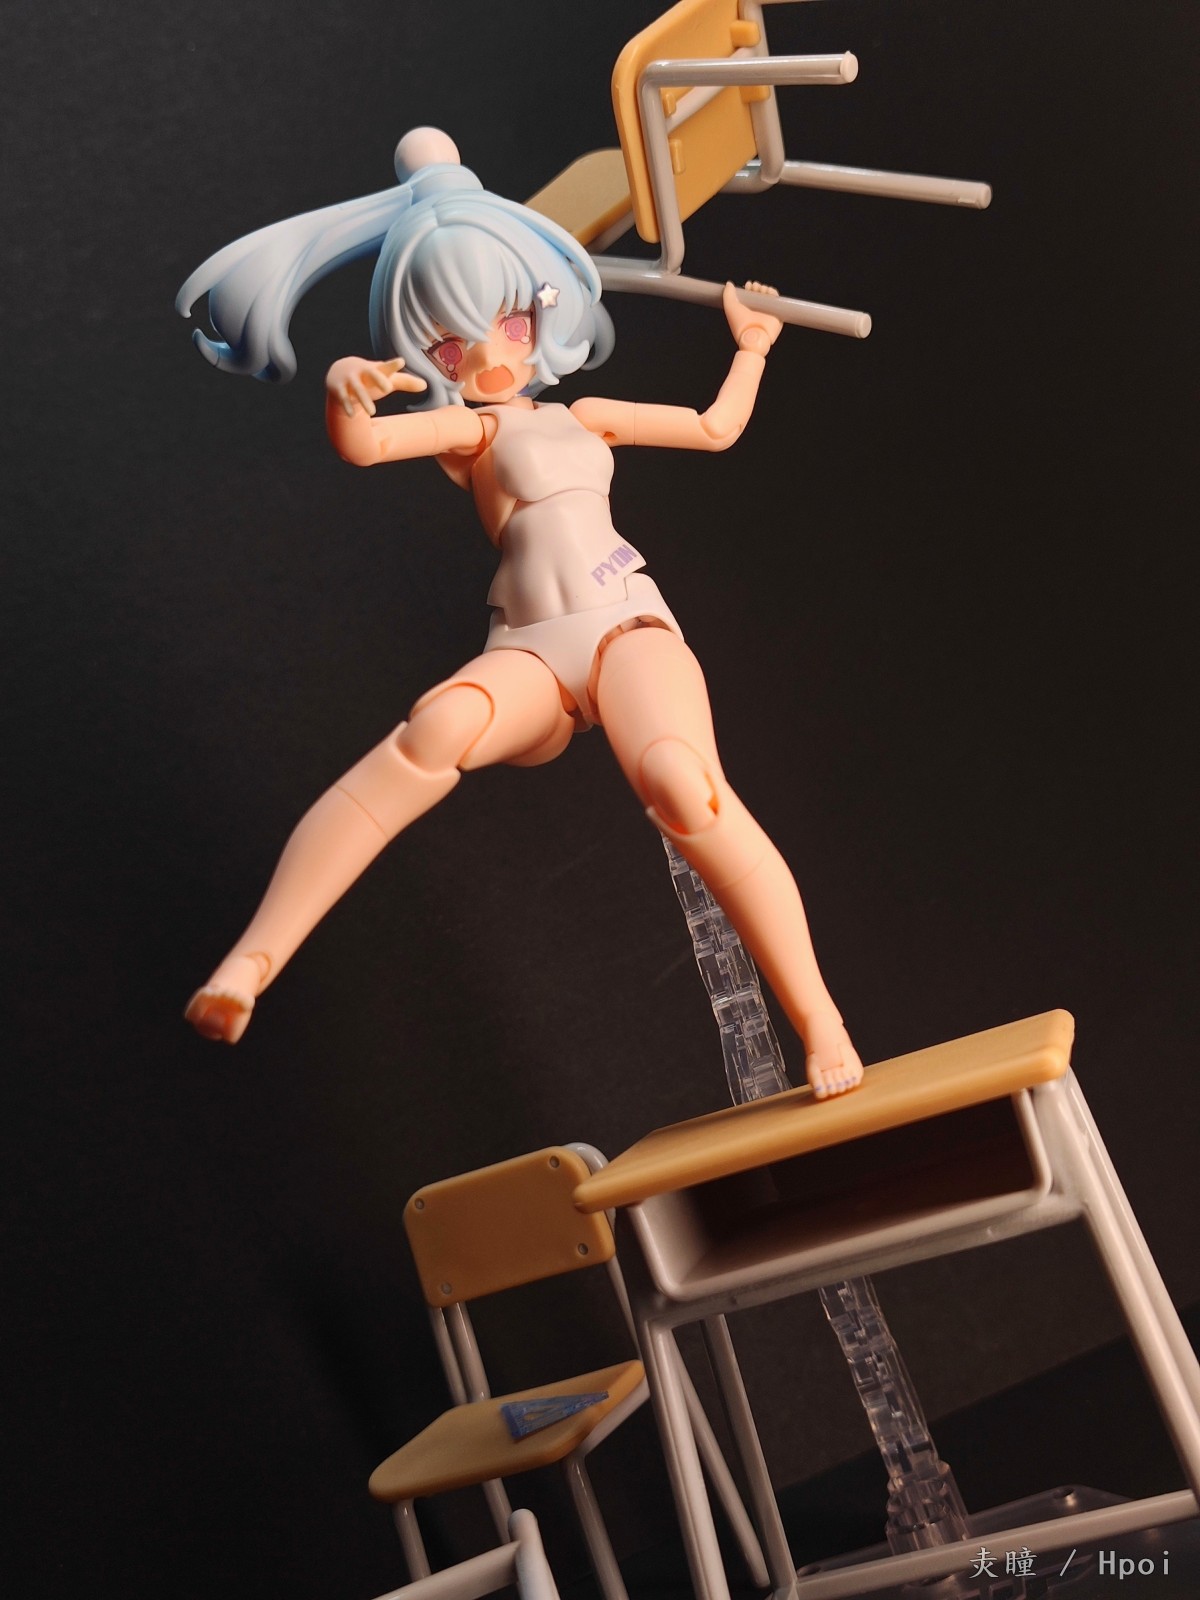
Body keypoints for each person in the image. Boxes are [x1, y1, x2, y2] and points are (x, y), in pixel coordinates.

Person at [178, 129, 863, 1099]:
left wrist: (751, 347)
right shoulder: (470, 431)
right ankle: (249, 965)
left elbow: (715, 428)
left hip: (627, 628)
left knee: (683, 784)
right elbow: (365, 447)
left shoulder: (586, 417)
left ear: (543, 309)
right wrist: (343, 394)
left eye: (507, 321)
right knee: (433, 729)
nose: (490, 357)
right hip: (532, 651)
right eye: (451, 342)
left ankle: (821, 1022)